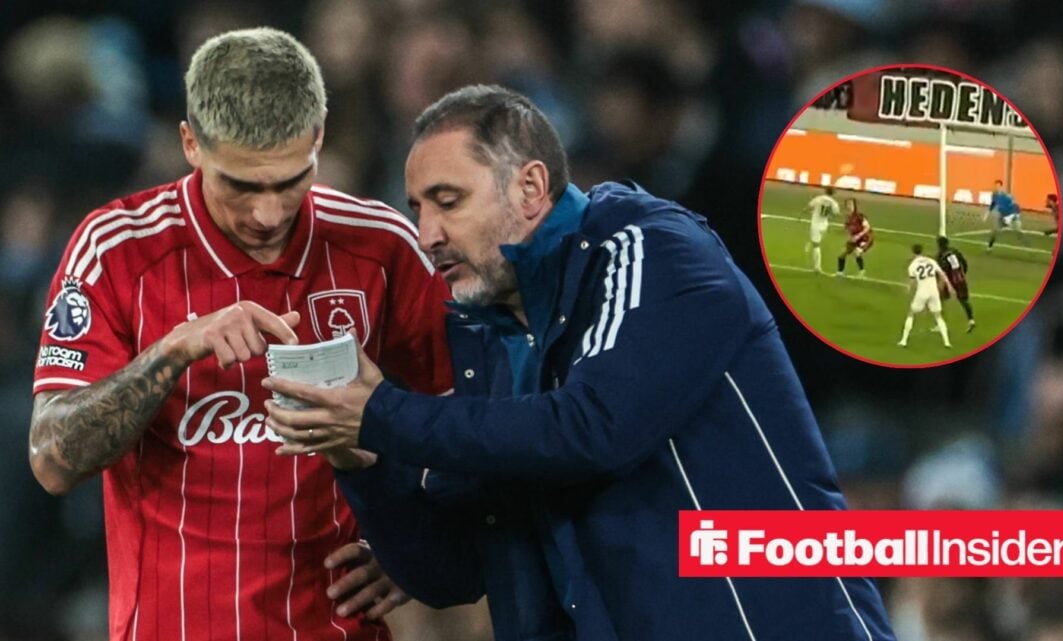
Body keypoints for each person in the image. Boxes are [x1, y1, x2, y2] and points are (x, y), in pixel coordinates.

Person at [262, 85, 896, 641]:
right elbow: (452, 571)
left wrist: (383, 415)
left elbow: (592, 427)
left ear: (531, 188)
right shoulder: (485, 338)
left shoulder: (649, 249)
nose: (426, 233)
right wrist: (358, 456)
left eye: (448, 201)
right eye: (417, 208)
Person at [28, 28, 456, 641]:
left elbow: (468, 422)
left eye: (290, 181)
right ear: (190, 144)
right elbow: (52, 460)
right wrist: (174, 349)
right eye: (242, 186)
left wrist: (425, 552)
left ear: (319, 139)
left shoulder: (383, 248)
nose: (268, 214)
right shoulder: (115, 250)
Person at [898, 243, 955, 348]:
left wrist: (908, 288)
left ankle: (904, 340)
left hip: (922, 292)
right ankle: (947, 342)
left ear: (913, 252)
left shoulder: (913, 265)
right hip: (934, 292)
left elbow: (912, 280)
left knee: (911, 314)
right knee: (938, 316)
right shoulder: (931, 261)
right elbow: (942, 274)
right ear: (922, 251)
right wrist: (949, 286)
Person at [936, 236, 975, 332]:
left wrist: (942, 284)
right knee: (963, 300)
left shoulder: (941, 255)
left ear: (939, 245)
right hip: (960, 279)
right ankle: (971, 320)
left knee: (940, 299)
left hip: (950, 281)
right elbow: (964, 262)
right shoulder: (955, 251)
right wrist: (963, 273)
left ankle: (940, 324)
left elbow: (943, 271)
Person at [804, 186, 840, 273]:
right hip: (824, 225)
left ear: (825, 191)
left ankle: (817, 267)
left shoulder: (818, 199)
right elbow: (836, 213)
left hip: (815, 224)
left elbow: (809, 206)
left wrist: (802, 212)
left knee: (816, 246)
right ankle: (811, 243)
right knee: (818, 241)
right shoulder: (834, 203)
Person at [837, 197, 873, 277]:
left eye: (851, 204)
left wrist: (858, 236)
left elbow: (867, 228)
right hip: (854, 240)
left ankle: (862, 272)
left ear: (854, 206)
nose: (849, 206)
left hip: (865, 238)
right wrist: (849, 237)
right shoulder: (848, 218)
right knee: (842, 255)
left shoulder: (860, 216)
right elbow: (847, 230)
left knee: (857, 252)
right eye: (847, 204)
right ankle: (839, 273)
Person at [986, 179, 1025, 250]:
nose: (997, 187)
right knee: (995, 231)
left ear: (1001, 186)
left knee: (1017, 229)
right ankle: (990, 246)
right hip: (1001, 215)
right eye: (996, 186)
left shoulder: (1006, 195)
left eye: (998, 186)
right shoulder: (994, 195)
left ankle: (1007, 224)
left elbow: (1014, 204)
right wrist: (987, 214)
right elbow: (993, 204)